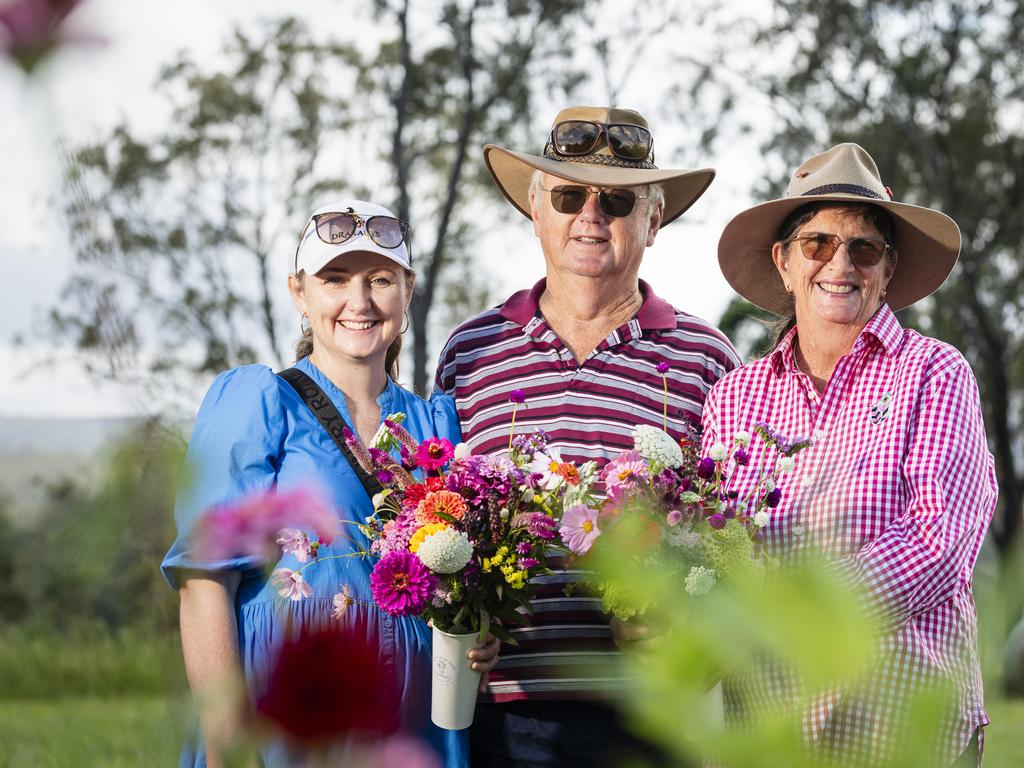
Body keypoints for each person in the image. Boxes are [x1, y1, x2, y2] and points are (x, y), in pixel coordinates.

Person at [435, 106, 740, 767]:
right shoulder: (472, 350)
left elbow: (734, 536)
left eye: (619, 202)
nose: (591, 217)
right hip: (508, 714)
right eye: (570, 196)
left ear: (654, 221)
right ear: (537, 210)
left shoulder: (707, 357)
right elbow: (439, 515)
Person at [162, 200, 499, 768]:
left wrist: (479, 637)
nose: (359, 302)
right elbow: (203, 581)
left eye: (380, 280)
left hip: (416, 728)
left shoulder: (438, 426)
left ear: (408, 290)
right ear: (300, 292)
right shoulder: (259, 402)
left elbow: (457, 579)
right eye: (335, 279)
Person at [707, 143, 996, 765]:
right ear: (784, 262)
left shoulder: (934, 373)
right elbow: (716, 547)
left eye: (864, 248)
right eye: (818, 244)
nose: (840, 263)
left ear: (887, 270)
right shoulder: (732, 398)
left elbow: (938, 539)